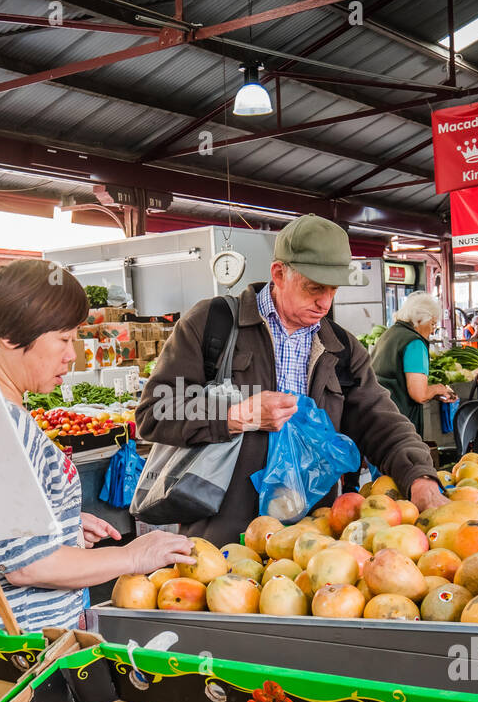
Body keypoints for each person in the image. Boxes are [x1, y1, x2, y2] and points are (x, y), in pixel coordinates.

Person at [136, 214, 448, 546]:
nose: (325, 302)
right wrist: (237, 416)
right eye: (314, 287)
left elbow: (382, 422)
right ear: (279, 273)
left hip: (314, 540)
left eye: (333, 290)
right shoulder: (212, 325)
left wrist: (421, 478)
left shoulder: (341, 350)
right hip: (223, 538)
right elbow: (155, 412)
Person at [0, 259, 193, 631]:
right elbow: (28, 566)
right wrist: (132, 557)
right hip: (26, 651)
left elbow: (0, 536)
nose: (72, 355)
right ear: (9, 337)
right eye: (64, 339)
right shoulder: (3, 429)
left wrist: (59, 528)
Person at [371, 291, 456, 436]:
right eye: (433, 323)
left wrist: (433, 394)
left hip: (378, 418)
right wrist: (439, 389)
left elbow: (397, 381)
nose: (432, 329)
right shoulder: (415, 343)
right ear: (420, 320)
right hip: (400, 425)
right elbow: (419, 394)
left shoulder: (390, 334)